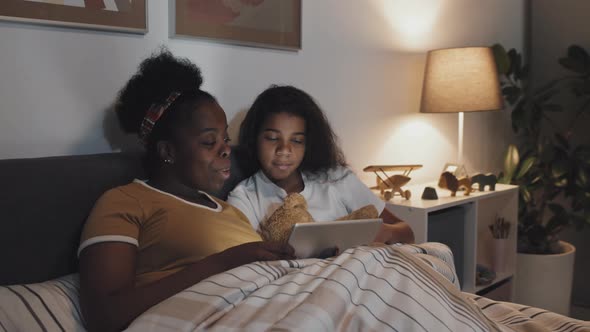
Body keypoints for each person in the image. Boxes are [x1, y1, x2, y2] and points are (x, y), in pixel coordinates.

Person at [77, 50, 294, 332]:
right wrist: (223, 263)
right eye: (209, 142)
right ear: (168, 151)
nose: (227, 149)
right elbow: (104, 315)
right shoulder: (125, 202)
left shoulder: (231, 211)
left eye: (225, 139)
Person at [227, 85, 415, 245]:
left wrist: (385, 233)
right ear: (255, 139)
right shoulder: (244, 198)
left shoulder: (336, 178)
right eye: (273, 138)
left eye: (297, 140)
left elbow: (407, 231)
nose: (284, 149)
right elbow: (244, 259)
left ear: (309, 143)